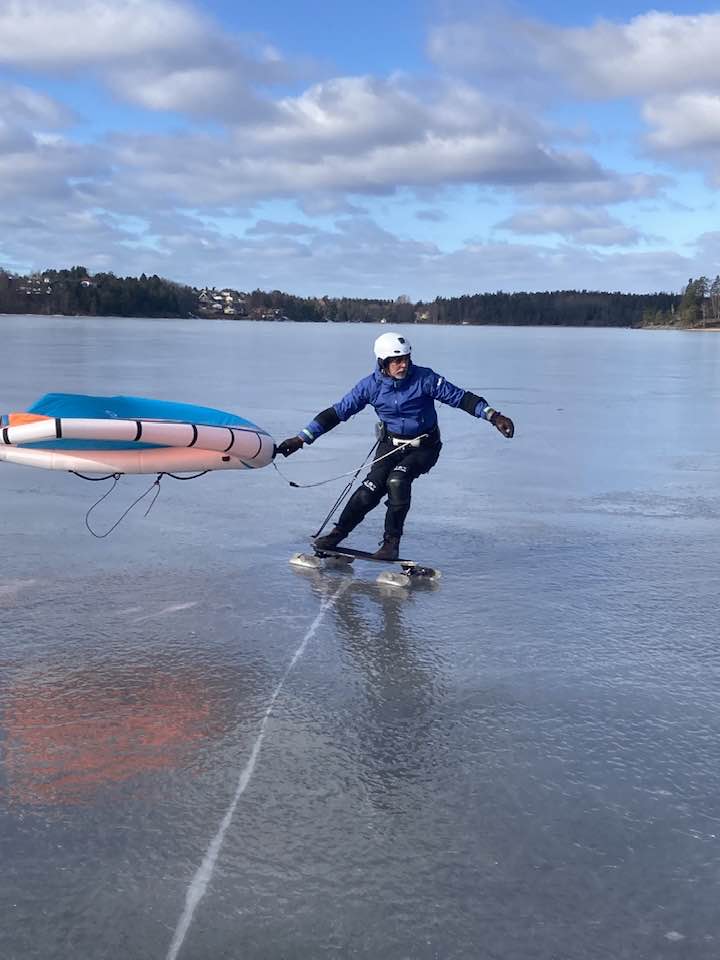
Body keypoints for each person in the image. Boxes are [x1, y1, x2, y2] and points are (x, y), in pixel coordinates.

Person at [277, 331, 514, 560]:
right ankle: (338, 533)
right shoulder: (369, 386)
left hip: (425, 447)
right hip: (390, 446)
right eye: (397, 361)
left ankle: (391, 544)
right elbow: (337, 413)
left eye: (406, 359)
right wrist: (301, 439)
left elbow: (461, 398)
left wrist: (494, 416)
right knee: (369, 488)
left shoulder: (425, 378)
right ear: (383, 363)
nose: (404, 365)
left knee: (397, 481)